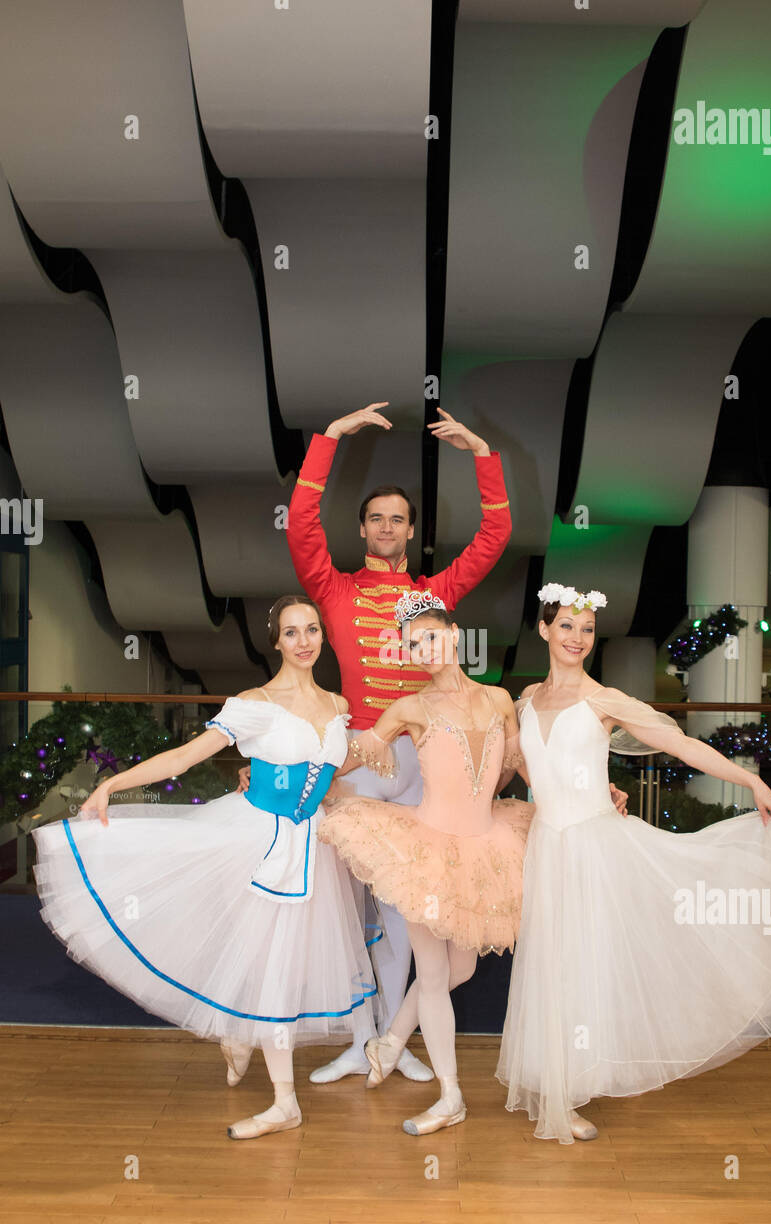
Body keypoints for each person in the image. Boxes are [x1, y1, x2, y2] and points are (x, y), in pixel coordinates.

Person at [495, 583, 771, 1145]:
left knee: (585, 962)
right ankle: (550, 1081)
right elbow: (531, 770)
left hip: (594, 848)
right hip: (549, 845)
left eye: (586, 629)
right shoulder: (526, 701)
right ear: (543, 629)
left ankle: (572, 1088)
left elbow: (680, 745)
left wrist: (749, 778)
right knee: (549, 960)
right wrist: (594, 784)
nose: (576, 638)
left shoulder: (604, 700)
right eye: (565, 626)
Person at [31, 597, 377, 1141]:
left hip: (313, 849)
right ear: (277, 642)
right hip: (255, 840)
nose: (305, 641)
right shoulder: (254, 704)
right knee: (266, 966)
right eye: (292, 633)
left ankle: (240, 1037)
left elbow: (331, 768)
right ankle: (284, 1100)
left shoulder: (337, 704)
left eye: (312, 629)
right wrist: (109, 785)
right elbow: (184, 759)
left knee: (282, 966)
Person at [281, 400, 514, 1086]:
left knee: (406, 910)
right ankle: (358, 1039)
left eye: (398, 519)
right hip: (358, 756)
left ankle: (390, 1038)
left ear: (412, 531)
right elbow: (300, 525)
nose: (386, 528)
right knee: (345, 908)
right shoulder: (335, 590)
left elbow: (493, 537)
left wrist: (482, 454)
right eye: (376, 518)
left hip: (422, 766)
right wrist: (328, 440)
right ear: (362, 529)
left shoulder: (430, 597)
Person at [317, 589, 533, 1134]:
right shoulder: (411, 709)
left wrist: (592, 793)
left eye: (431, 637)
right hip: (426, 851)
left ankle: (390, 1042)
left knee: (460, 968)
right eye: (413, 645)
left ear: (455, 636)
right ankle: (451, 1096)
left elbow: (524, 766)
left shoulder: (500, 700)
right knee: (435, 974)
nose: (423, 650)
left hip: (486, 846)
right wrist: (296, 780)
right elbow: (355, 754)